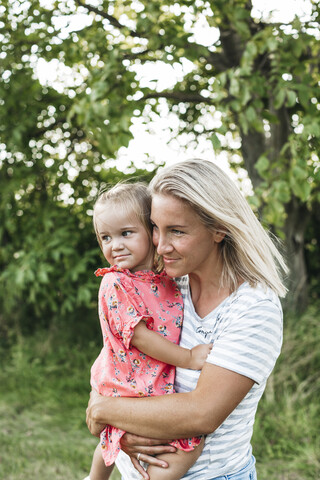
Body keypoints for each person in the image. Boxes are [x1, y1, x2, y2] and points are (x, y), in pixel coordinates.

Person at [86, 159, 288, 480]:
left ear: (219, 228)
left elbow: (201, 414)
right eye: (155, 228)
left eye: (177, 231)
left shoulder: (253, 307)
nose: (161, 246)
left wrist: (103, 410)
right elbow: (124, 357)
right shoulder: (165, 282)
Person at [85, 182, 212, 480]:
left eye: (125, 233)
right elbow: (140, 337)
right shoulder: (115, 283)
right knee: (181, 444)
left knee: (165, 444)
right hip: (130, 380)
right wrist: (189, 357)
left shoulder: (165, 278)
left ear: (151, 233)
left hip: (150, 379)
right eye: (105, 237)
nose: (114, 245)